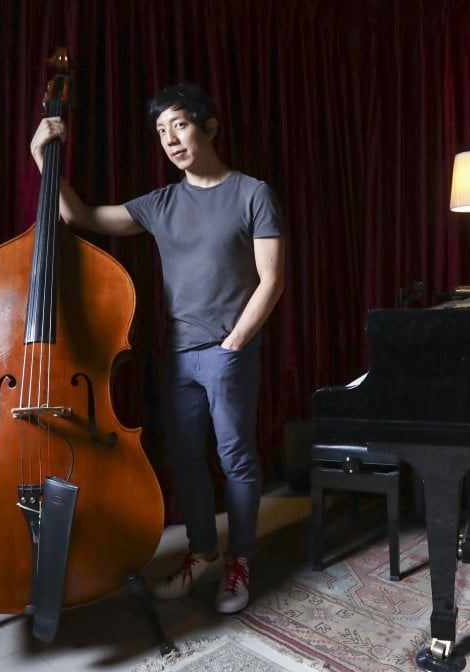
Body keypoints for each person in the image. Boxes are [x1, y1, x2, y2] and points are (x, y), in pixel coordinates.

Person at [30, 82, 285, 614]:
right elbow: (81, 217)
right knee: (185, 458)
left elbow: (272, 280)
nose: (170, 139)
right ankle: (202, 553)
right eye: (161, 131)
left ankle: (239, 561)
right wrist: (41, 156)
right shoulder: (161, 203)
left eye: (180, 125)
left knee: (235, 456)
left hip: (229, 352)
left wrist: (236, 341)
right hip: (178, 355)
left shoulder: (252, 193)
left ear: (209, 127)